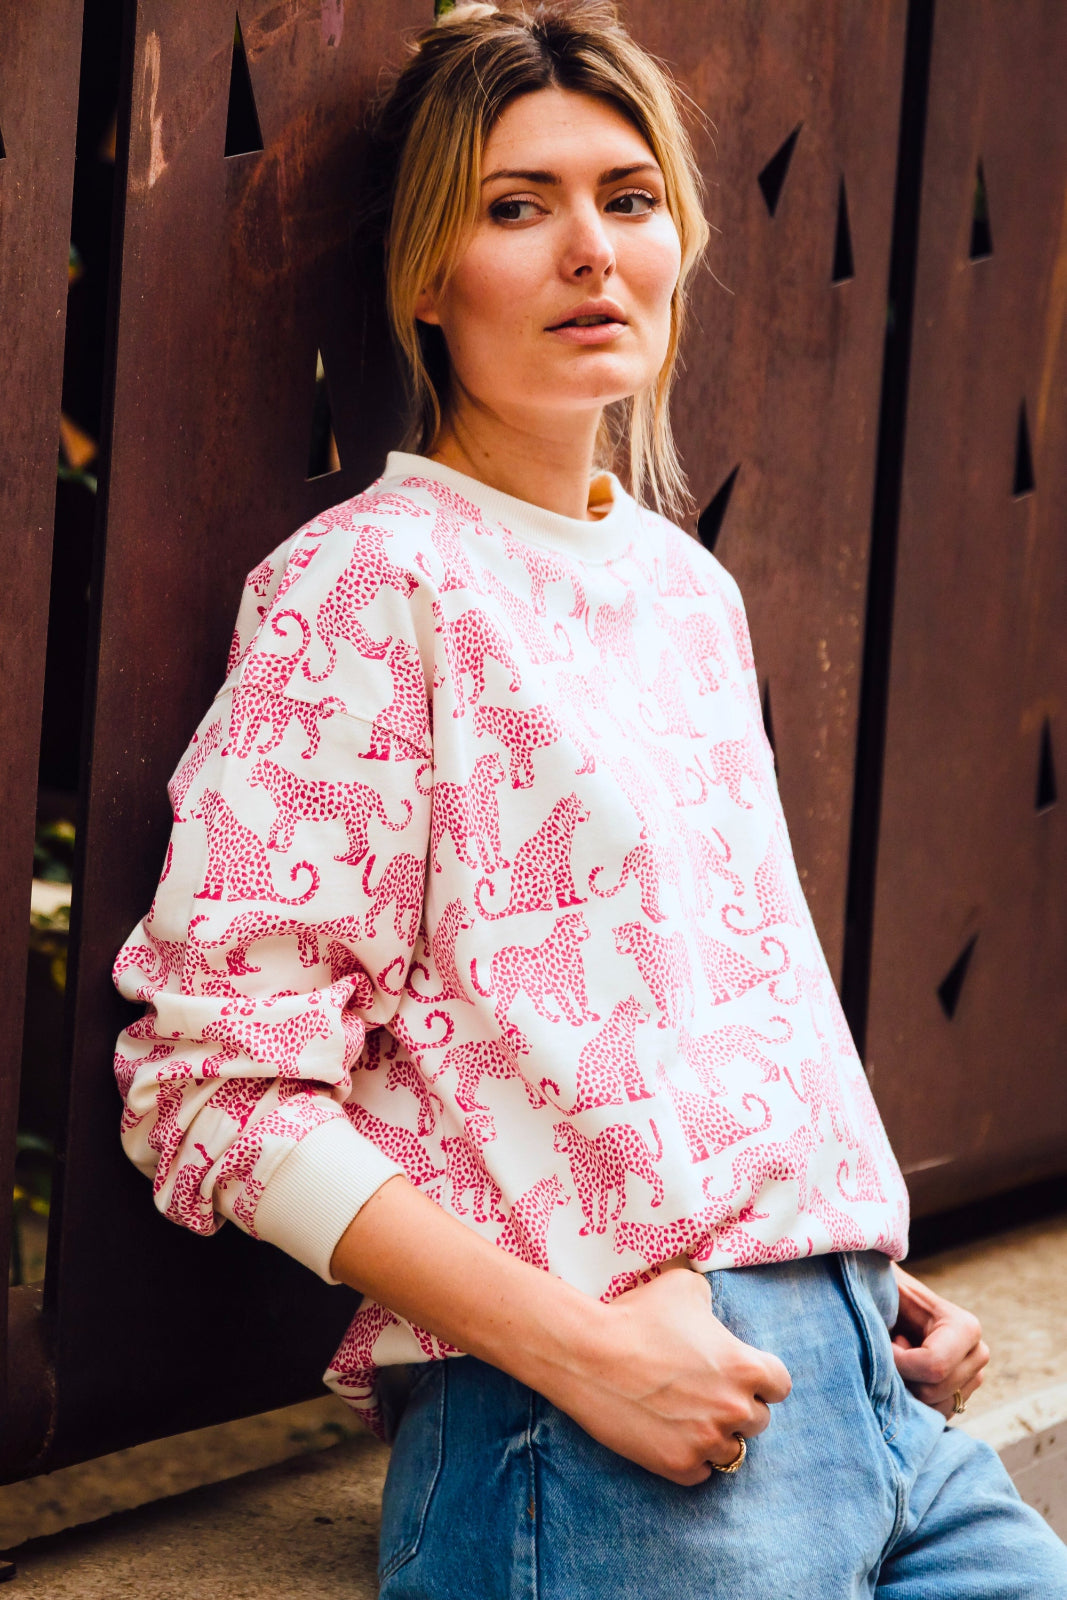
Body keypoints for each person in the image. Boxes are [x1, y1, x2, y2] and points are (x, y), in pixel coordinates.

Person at [112, 3, 1067, 1594]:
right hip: (603, 1440)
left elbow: (681, 1021)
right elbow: (210, 1086)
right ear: (428, 276)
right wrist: (583, 1354)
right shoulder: (369, 588)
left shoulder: (691, 597)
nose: (587, 250)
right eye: (514, 205)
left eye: (626, 198)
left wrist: (856, 1266)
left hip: (885, 1416)